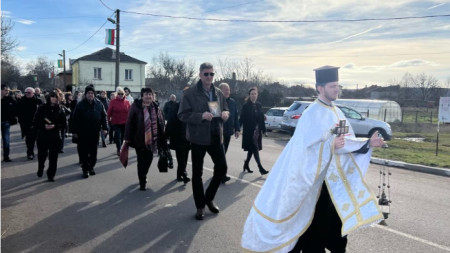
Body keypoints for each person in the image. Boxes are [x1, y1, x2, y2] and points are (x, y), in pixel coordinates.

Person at [241, 66, 387, 253]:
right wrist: (330, 146)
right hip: (313, 185)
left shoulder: (336, 111)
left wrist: (368, 143)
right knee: (312, 234)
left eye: (338, 85)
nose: (337, 89)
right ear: (320, 88)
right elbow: (304, 150)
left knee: (335, 232)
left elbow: (345, 142)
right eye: (333, 86)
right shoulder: (311, 114)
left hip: (331, 185)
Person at [178, 62, 229, 220]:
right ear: (200, 74)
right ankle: (200, 206)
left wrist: (226, 114)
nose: (209, 77)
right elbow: (182, 115)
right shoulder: (190, 93)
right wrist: (200, 116)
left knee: (221, 168)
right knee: (197, 174)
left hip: (215, 135)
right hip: (198, 137)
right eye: (206, 74)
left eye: (211, 74)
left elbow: (225, 108)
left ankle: (208, 198)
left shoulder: (218, 92)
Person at [124, 87, 168, 191]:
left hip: (153, 140)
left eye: (150, 94)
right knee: (141, 160)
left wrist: (164, 138)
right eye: (146, 94)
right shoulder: (136, 106)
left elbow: (161, 124)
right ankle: (142, 180)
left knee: (149, 159)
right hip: (139, 139)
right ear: (142, 96)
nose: (148, 96)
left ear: (153, 96)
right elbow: (129, 122)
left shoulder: (156, 107)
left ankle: (143, 174)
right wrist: (127, 138)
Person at [72, 85, 108, 178]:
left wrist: (105, 128)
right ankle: (85, 169)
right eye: (88, 93)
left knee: (93, 152)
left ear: (94, 94)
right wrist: (74, 131)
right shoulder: (80, 105)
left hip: (94, 131)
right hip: (82, 132)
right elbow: (75, 118)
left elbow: (104, 117)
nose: (90, 95)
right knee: (83, 151)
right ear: (86, 94)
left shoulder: (99, 104)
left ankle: (91, 167)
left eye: (92, 93)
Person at [33, 91, 67, 181]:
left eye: (55, 97)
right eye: (52, 97)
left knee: (53, 157)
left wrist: (55, 126)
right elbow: (36, 121)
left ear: (58, 98)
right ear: (49, 98)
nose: (54, 98)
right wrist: (44, 126)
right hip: (43, 136)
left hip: (55, 136)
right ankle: (41, 168)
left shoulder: (60, 109)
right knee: (42, 156)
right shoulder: (42, 108)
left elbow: (64, 124)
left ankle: (51, 175)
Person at [239, 87, 269, 175]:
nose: (253, 95)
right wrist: (237, 128)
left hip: (257, 131)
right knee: (254, 148)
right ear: (249, 95)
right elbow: (242, 118)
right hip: (249, 131)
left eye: (255, 94)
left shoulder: (259, 105)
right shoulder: (245, 106)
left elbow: (261, 118)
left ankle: (246, 164)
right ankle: (260, 168)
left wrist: (264, 130)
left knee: (252, 149)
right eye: (252, 94)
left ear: (257, 95)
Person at [165, 91, 191, 184]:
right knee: (181, 157)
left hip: (188, 137)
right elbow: (170, 121)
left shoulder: (191, 108)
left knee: (185, 157)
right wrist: (166, 135)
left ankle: (179, 175)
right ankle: (184, 173)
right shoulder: (175, 107)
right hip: (178, 136)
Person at [219, 82, 240, 184]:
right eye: (225, 90)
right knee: (221, 154)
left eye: (229, 90)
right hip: (218, 132)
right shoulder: (215, 101)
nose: (228, 92)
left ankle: (218, 173)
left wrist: (237, 129)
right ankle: (222, 175)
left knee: (224, 153)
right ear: (220, 91)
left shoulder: (232, 102)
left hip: (228, 132)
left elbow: (236, 116)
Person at [16, 87, 42, 160]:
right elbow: (18, 112)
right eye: (26, 92)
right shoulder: (22, 101)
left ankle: (41, 153)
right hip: (26, 124)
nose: (27, 94)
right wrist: (21, 121)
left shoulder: (38, 101)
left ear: (33, 93)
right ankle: (30, 153)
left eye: (29, 93)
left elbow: (43, 111)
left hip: (37, 123)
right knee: (29, 140)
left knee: (39, 139)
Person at [107, 87, 131, 156]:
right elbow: (109, 112)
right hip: (116, 122)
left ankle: (120, 148)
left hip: (124, 122)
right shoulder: (113, 102)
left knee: (122, 136)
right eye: (119, 94)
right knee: (118, 136)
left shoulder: (127, 102)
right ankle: (119, 149)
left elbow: (130, 112)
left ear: (124, 94)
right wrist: (108, 120)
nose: (120, 95)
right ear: (117, 94)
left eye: (122, 94)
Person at [1, 85, 17, 162]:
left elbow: (16, 108)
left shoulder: (10, 98)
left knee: (6, 140)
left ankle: (6, 156)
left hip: (6, 122)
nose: (7, 92)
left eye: (8, 90)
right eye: (5, 90)